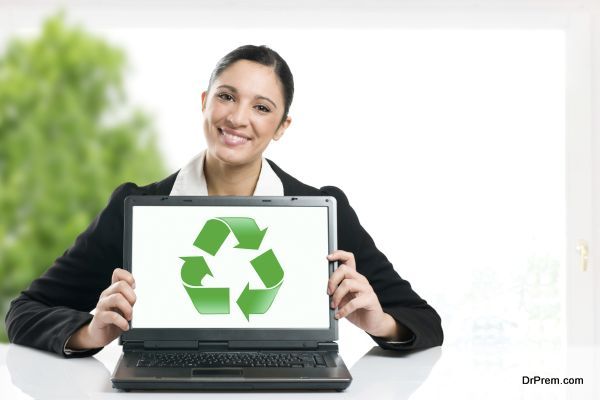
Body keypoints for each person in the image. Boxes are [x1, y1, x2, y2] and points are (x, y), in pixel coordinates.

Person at [5, 45, 443, 357]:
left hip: (288, 384)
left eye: (262, 107)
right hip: (162, 383)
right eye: (227, 96)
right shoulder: (135, 208)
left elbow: (423, 319)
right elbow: (25, 311)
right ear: (204, 101)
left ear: (282, 126)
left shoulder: (321, 210)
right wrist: (90, 333)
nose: (237, 118)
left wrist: (379, 323)